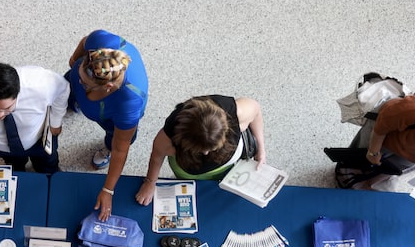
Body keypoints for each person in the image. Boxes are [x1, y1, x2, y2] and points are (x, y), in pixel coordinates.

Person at [67, 29, 148, 221]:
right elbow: (86, 40)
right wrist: (74, 61)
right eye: (80, 73)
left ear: (108, 87)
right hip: (92, 91)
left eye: (85, 84)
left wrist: (107, 190)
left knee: (114, 139)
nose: (80, 81)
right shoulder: (102, 42)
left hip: (109, 116)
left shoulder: (128, 104)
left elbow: (121, 149)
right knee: (72, 87)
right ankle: (75, 101)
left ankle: (105, 149)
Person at [135, 95, 266, 205]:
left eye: (212, 148)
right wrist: (150, 182)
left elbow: (256, 111)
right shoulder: (169, 136)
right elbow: (157, 156)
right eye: (199, 149)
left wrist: (261, 150)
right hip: (189, 171)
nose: (206, 153)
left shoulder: (237, 113)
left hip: (230, 166)